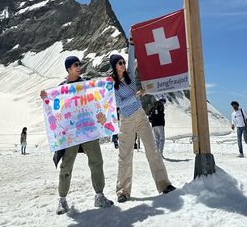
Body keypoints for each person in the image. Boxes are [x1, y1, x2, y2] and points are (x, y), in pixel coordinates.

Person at [40, 56, 114, 214]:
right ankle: (62, 200)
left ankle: (99, 196)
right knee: (66, 165)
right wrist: (46, 97)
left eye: (80, 64)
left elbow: (98, 94)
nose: (79, 67)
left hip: (88, 130)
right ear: (68, 68)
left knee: (97, 161)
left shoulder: (86, 84)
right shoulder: (62, 88)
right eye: (75, 65)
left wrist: (108, 84)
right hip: (71, 133)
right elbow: (55, 106)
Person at [110, 32, 176, 203]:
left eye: (124, 62)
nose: (124, 65)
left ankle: (164, 184)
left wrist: (131, 43)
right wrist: (136, 95)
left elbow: (132, 58)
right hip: (126, 119)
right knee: (125, 155)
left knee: (152, 149)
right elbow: (119, 104)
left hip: (141, 115)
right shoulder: (112, 85)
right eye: (120, 63)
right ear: (114, 66)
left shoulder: (130, 74)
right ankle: (123, 191)